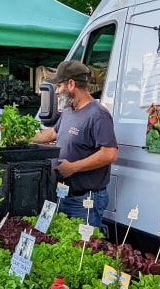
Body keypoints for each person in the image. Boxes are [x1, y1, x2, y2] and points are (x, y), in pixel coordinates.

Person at [31, 60, 118, 229]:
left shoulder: (98, 115)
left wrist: (74, 167)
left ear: (71, 84)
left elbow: (109, 154)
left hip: (85, 201)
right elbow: (53, 133)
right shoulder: (69, 111)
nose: (56, 91)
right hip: (63, 194)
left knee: (83, 250)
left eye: (59, 86)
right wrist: (25, 138)